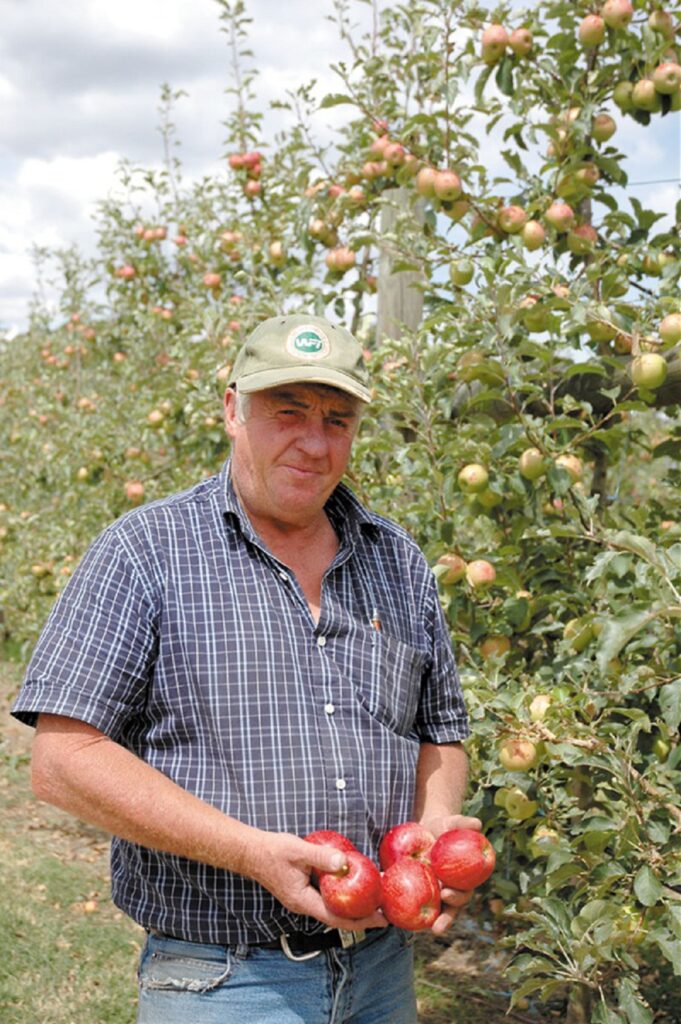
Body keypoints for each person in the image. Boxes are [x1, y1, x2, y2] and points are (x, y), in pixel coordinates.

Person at [12, 313, 477, 1024]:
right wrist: (252, 853)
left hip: (382, 968)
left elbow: (440, 730)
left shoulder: (397, 562)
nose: (313, 442)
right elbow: (63, 761)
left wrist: (435, 837)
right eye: (286, 412)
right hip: (222, 980)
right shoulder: (145, 552)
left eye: (336, 419)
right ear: (232, 408)